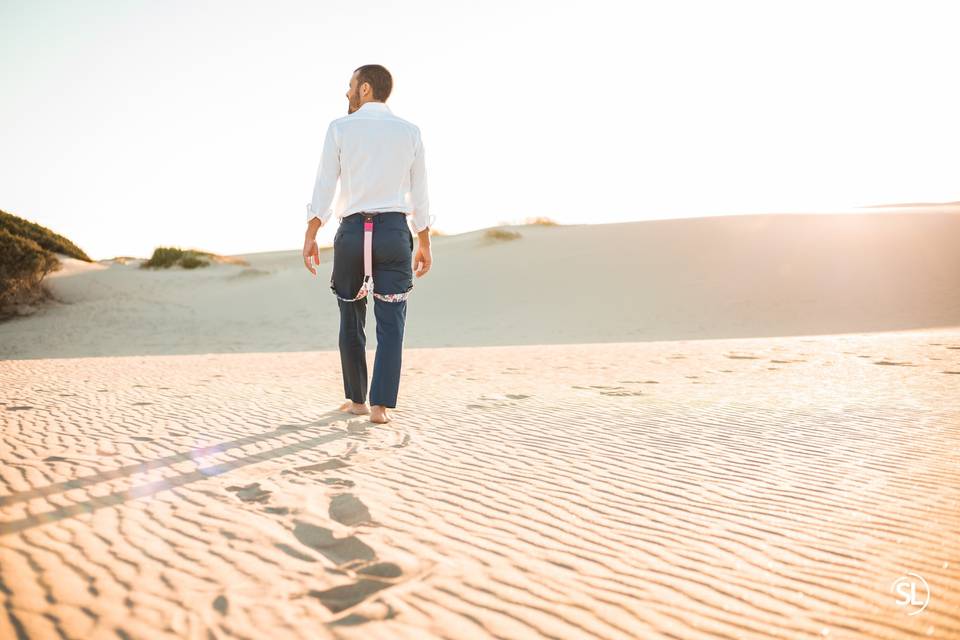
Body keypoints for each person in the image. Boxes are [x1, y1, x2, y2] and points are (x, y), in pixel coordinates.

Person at [302, 64, 434, 424]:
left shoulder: (340, 128)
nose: (346, 93)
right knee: (391, 322)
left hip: (353, 232)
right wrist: (424, 240)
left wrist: (312, 231)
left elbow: (325, 185)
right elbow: (419, 194)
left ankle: (357, 400)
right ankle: (379, 408)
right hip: (393, 231)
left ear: (365, 89)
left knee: (350, 315)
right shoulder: (410, 132)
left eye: (350, 86)